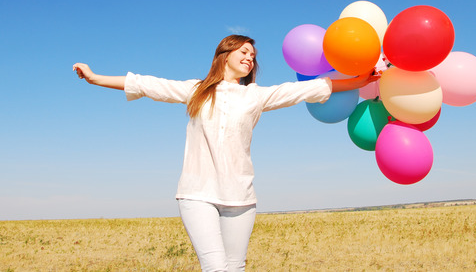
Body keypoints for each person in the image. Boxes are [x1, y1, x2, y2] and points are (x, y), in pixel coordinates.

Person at [73, 34, 380, 272]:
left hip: (241, 197)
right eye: (244, 52)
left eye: (253, 55)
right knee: (216, 268)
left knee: (235, 268)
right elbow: (145, 84)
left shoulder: (257, 96)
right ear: (224, 55)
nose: (250, 57)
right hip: (197, 194)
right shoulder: (197, 90)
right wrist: (94, 77)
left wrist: (361, 81)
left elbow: (313, 88)